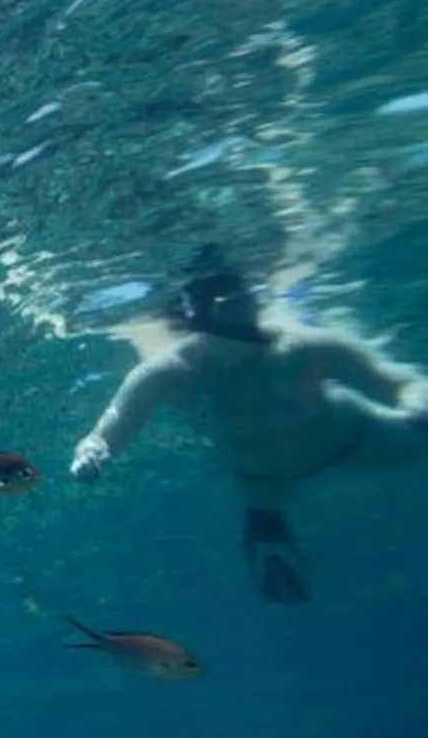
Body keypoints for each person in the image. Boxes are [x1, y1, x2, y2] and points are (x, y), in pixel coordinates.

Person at [70, 244, 428, 602]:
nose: (244, 314)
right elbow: (114, 422)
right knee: (275, 552)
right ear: (196, 315)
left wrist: (418, 405)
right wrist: (94, 450)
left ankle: (267, 526)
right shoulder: (172, 371)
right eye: (229, 305)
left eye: (246, 300)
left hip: (357, 438)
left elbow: (398, 380)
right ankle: (267, 527)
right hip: (266, 480)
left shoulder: (303, 346)